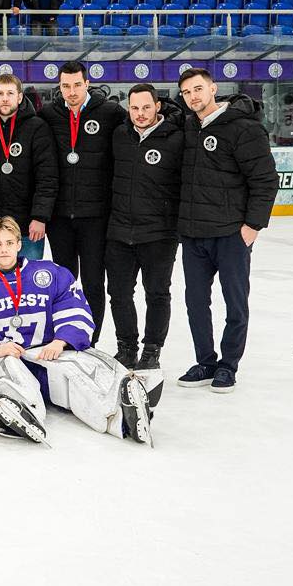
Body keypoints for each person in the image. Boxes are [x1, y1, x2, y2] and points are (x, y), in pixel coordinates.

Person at [0, 217, 156, 445]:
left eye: (9, 243)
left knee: (80, 369)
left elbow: (74, 307)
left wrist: (61, 341)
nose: (4, 249)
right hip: (3, 356)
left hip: (46, 354)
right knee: (4, 374)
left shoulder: (50, 273)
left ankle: (122, 416)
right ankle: (16, 412)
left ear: (19, 244)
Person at [175, 67, 278, 393]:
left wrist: (252, 226)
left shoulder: (243, 128)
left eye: (198, 89)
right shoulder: (188, 126)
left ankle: (228, 365)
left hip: (231, 234)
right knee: (195, 303)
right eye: (187, 92)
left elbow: (265, 180)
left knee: (235, 304)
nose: (193, 96)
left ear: (213, 88)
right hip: (194, 235)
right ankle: (206, 362)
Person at [38, 61, 125, 342]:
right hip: (60, 216)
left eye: (77, 85)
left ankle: (91, 340)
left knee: (93, 281)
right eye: (66, 86)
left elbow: (142, 122)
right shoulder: (49, 114)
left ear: (87, 84)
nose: (72, 91)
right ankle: (66, 335)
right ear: (59, 87)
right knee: (64, 282)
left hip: (96, 215)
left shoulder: (110, 112)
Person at [105, 84, 183, 372]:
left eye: (146, 107)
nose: (140, 113)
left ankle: (152, 351)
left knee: (157, 294)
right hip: (120, 231)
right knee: (119, 293)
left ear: (157, 106)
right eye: (135, 108)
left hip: (159, 234)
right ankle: (126, 348)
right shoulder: (119, 135)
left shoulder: (176, 138)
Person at [0, 72, 57, 262]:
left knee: (27, 276)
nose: (5, 98)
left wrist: (40, 217)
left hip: (27, 227)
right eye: (0, 94)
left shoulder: (37, 127)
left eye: (10, 93)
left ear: (19, 97)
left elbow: (47, 177)